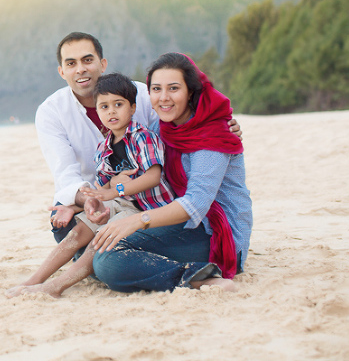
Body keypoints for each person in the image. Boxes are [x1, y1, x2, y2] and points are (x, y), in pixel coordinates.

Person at [35, 32, 241, 244]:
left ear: (103, 64)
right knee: (65, 229)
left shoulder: (140, 95)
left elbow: (177, 121)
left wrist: (218, 124)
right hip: (94, 198)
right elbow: (66, 175)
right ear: (61, 71)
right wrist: (85, 201)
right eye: (71, 63)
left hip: (148, 199)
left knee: (108, 257)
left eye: (87, 60)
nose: (80, 69)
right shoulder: (51, 112)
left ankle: (120, 254)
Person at [89, 52, 253, 292]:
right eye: (156, 89)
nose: (163, 98)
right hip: (178, 223)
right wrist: (109, 188)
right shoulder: (162, 128)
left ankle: (196, 278)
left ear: (190, 91)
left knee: (106, 261)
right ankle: (179, 267)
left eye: (174, 88)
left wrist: (138, 221)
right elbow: (136, 164)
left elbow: (196, 204)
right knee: (94, 249)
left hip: (215, 232)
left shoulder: (214, 134)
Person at [8, 73, 176, 298]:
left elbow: (153, 177)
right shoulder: (103, 148)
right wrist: (77, 206)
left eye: (118, 104)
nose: (112, 111)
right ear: (97, 111)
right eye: (104, 107)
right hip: (121, 204)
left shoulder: (143, 137)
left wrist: (116, 191)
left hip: (149, 208)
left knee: (101, 237)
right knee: (77, 232)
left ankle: (55, 287)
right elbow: (101, 187)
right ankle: (34, 280)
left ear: (133, 108)